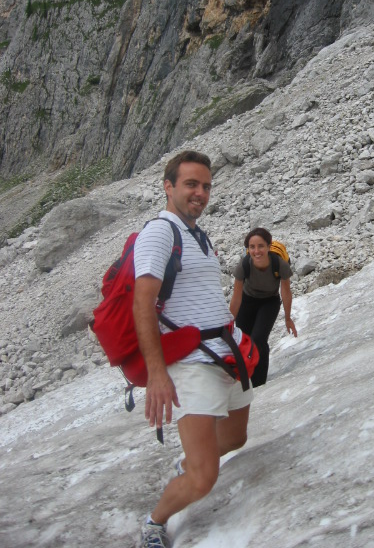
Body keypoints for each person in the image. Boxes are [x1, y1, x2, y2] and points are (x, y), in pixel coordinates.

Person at [133, 150, 253, 548]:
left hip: (225, 352)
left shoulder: (198, 234)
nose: (200, 193)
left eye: (206, 186)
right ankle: (154, 523)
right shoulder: (160, 233)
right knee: (203, 479)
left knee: (235, 437)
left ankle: (188, 460)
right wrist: (157, 374)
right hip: (191, 363)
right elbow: (142, 303)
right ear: (168, 187)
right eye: (191, 184)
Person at [229, 227, 298, 388]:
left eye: (260, 246)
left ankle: (259, 384)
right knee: (245, 342)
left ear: (268, 246)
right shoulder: (244, 265)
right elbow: (236, 297)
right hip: (247, 302)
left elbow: (286, 292)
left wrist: (288, 318)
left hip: (269, 302)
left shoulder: (279, 264)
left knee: (258, 340)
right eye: (252, 247)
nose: (256, 251)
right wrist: (229, 322)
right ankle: (248, 380)